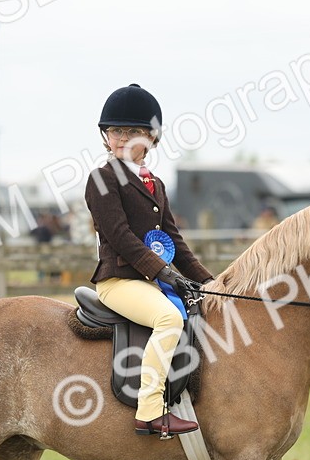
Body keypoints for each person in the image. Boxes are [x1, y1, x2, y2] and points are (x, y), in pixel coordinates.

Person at [84, 84, 215, 437]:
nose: (122, 138)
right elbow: (121, 237)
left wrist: (209, 282)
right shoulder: (102, 179)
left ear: (151, 137)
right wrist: (163, 272)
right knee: (170, 318)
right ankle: (150, 411)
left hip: (151, 281)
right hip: (119, 281)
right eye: (116, 132)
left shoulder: (154, 184)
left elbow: (174, 240)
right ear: (106, 137)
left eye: (133, 132)